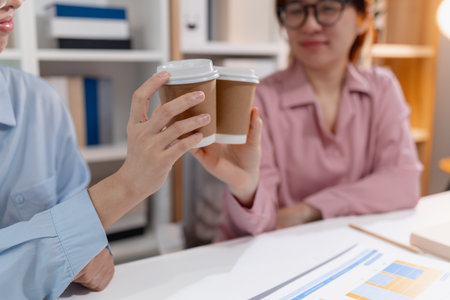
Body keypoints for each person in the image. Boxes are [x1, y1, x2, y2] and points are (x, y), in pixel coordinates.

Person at [0, 0, 211, 299]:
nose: (15, 3)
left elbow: (91, 253)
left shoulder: (40, 101)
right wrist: (125, 187)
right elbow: (79, 239)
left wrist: (85, 245)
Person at [193, 0, 422, 240]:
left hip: (350, 248)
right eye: (295, 10)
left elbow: (403, 184)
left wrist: (308, 210)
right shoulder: (259, 98)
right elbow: (260, 223)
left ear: (363, 19)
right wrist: (246, 189)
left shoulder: (382, 87)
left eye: (328, 9)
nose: (310, 25)